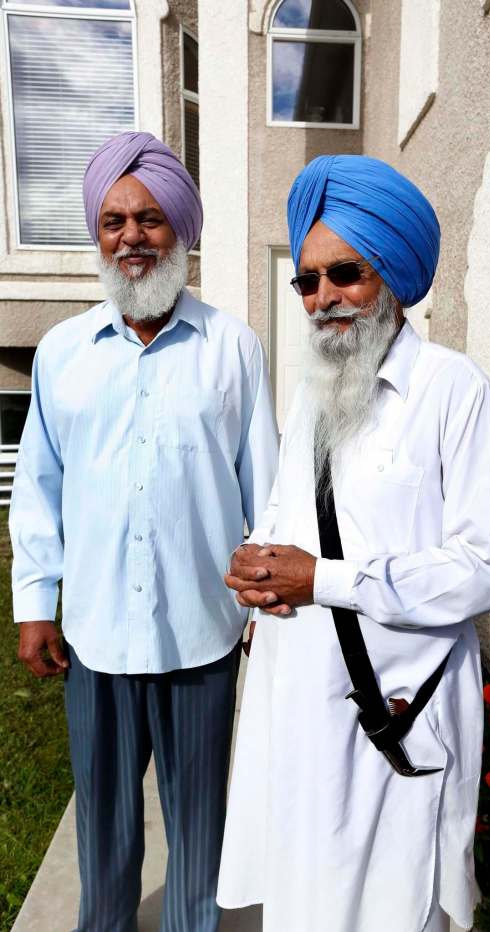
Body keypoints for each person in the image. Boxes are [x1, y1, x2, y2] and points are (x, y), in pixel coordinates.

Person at [217, 155, 490, 932]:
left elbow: (486, 568)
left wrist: (326, 581)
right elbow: (287, 521)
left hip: (392, 723)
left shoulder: (456, 392)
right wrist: (256, 567)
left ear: (388, 271)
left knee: (387, 909)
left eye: (343, 273)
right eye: (307, 281)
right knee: (304, 904)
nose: (323, 299)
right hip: (298, 716)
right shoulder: (314, 400)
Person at [10, 131, 278, 932]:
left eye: (152, 219)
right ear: (98, 233)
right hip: (95, 637)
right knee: (105, 832)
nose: (132, 237)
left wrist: (267, 612)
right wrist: (36, 602)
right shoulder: (62, 354)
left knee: (200, 832)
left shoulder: (232, 348)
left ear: (183, 233)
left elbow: (262, 490)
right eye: (114, 220)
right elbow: (38, 488)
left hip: (201, 639)